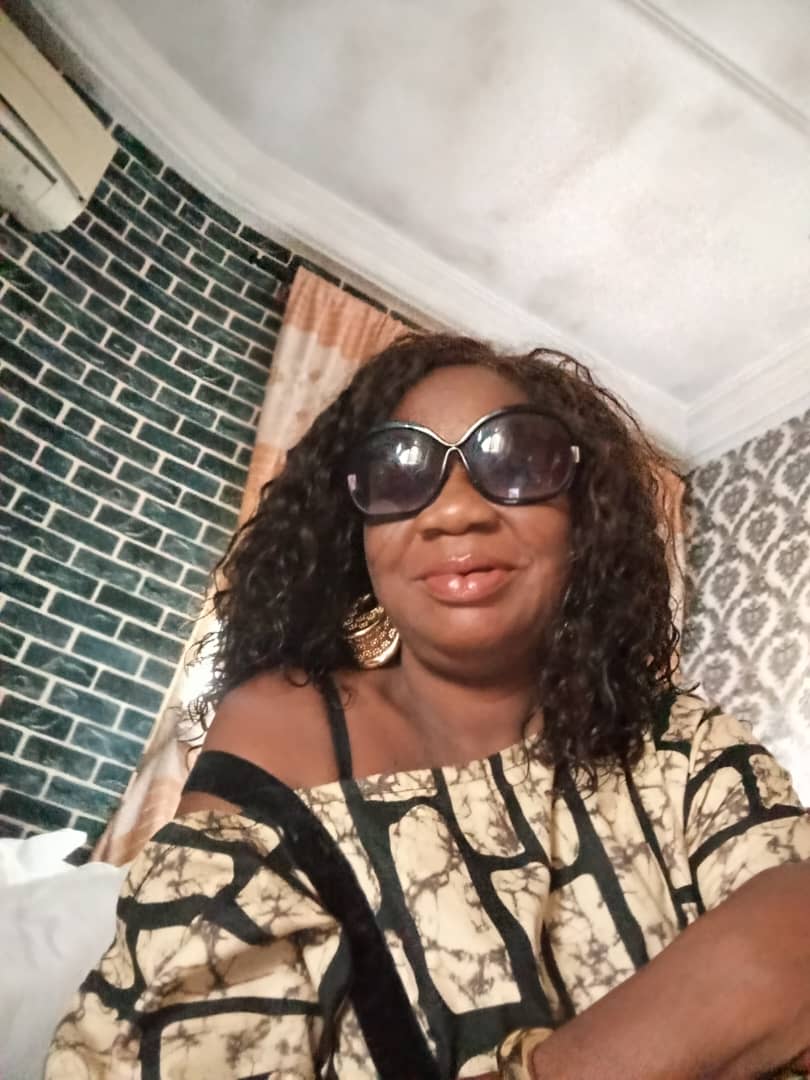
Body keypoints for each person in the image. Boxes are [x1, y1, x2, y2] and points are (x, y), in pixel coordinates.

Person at [47, 333, 810, 1079]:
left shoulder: (680, 740)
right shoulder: (286, 725)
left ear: (583, 517)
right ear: (356, 532)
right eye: (399, 472)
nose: (454, 513)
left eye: (515, 463)